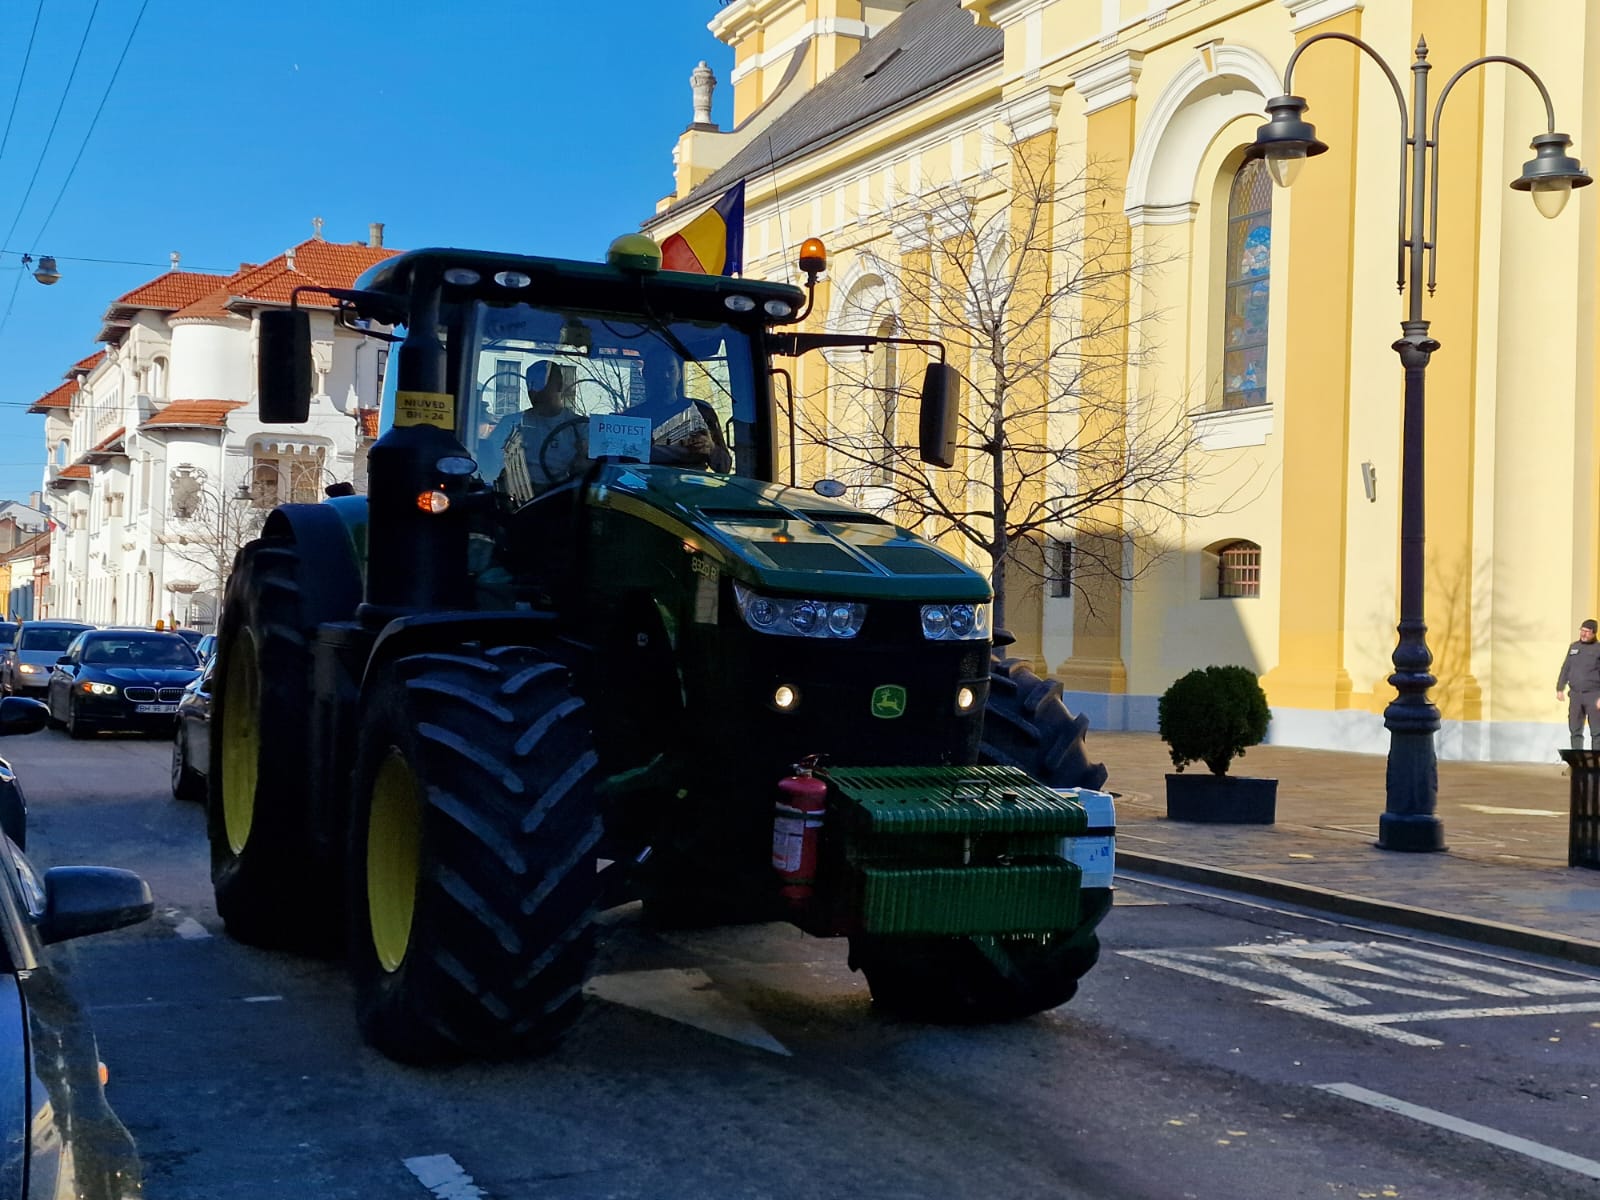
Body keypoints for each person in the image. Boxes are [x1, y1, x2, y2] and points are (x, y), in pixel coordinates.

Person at [1556, 618, 1600, 750]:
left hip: (1594, 695)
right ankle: (1578, 763)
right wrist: (1560, 688)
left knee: (1597, 732)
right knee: (1575, 730)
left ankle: (1596, 765)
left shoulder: (1598, 649)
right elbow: (1566, 668)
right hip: (1575, 696)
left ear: (1594, 633)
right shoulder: (1574, 647)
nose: (1584, 634)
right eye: (1582, 630)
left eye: (1587, 631)